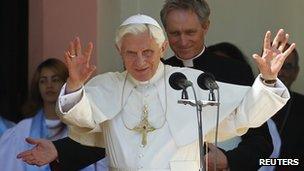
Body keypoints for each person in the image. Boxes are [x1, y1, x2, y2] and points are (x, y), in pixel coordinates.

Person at [17, 13, 294, 170]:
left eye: (148, 52)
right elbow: (82, 118)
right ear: (119, 52)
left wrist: (268, 79)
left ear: (162, 49)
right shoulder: (108, 85)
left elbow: (241, 117)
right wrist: (76, 83)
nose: (140, 62)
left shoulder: (191, 81)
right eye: (131, 53)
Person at [160, 1, 274, 170]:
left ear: (205, 27)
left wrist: (229, 160)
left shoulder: (236, 71)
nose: (183, 41)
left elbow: (261, 140)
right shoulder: (159, 74)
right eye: (174, 33)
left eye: (190, 32)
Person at [0, 58, 107, 171]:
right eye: (43, 81)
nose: (49, 85)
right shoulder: (22, 130)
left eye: (55, 80)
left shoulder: (84, 128)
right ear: (37, 86)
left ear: (66, 84)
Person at [272, 44, 304, 171]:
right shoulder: (246, 101)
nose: (280, 72)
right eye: (275, 64)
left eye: (287, 66)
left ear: (296, 73)